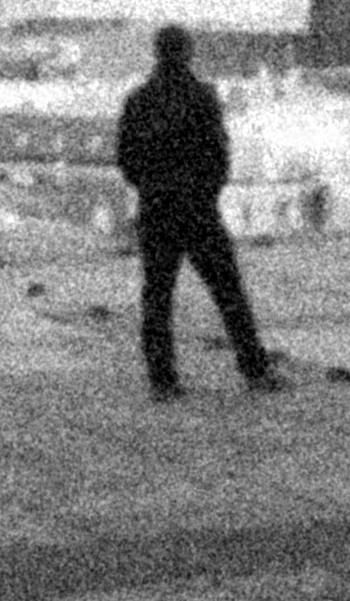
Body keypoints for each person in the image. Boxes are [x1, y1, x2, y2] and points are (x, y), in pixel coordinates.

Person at [114, 24, 280, 397]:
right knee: (228, 293)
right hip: (198, 210)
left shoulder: (138, 100)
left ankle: (163, 381)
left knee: (157, 297)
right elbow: (219, 157)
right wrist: (204, 193)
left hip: (156, 208)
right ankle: (254, 370)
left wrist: (152, 187)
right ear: (188, 53)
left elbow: (125, 159)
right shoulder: (202, 96)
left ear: (156, 53)